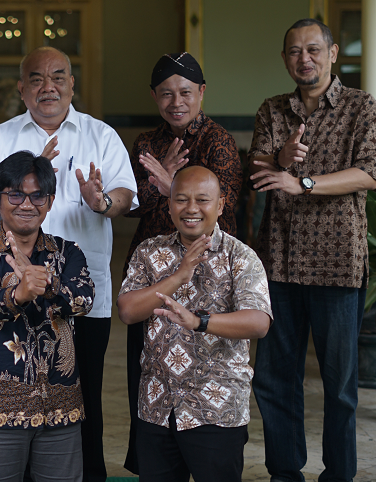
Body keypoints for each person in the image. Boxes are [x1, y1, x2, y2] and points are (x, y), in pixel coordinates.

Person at [0, 46, 137, 482]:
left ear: (72, 84)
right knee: (20, 394)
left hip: (78, 296)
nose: (49, 87)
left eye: (58, 77)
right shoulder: (1, 137)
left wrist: (101, 202)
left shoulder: (100, 135)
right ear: (21, 88)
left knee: (85, 400)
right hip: (12, 291)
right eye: (37, 79)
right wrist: (24, 175)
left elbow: (125, 197)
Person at [248, 18, 376, 482]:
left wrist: (303, 181)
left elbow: (371, 173)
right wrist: (281, 160)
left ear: (332, 54)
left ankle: (339, 476)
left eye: (313, 49)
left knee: (340, 386)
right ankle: (284, 473)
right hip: (280, 263)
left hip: (337, 265)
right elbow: (259, 167)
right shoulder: (273, 109)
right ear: (284, 58)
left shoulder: (361, 107)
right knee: (274, 379)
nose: (303, 58)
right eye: (294, 51)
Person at [120, 52, 243, 473]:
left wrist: (171, 185)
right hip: (152, 266)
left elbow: (223, 205)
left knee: (205, 361)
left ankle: (206, 453)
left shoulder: (218, 141)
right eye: (166, 93)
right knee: (147, 364)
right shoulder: (146, 142)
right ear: (154, 96)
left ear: (201, 92)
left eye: (186, 92)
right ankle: (154, 460)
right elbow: (133, 205)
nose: (176, 102)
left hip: (206, 271)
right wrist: (152, 190)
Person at [117, 166, 272, 482]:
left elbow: (258, 322)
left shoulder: (240, 256)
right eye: (181, 199)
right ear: (169, 204)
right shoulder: (149, 251)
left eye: (202, 200)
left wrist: (199, 322)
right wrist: (178, 276)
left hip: (216, 407)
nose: (191, 208)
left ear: (220, 204)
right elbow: (128, 311)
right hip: (157, 405)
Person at [0, 151, 94, 482]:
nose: (27, 205)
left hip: (61, 404)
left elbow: (84, 300)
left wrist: (47, 285)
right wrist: (19, 293)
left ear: (50, 201)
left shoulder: (68, 253)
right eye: (16, 195)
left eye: (37, 196)